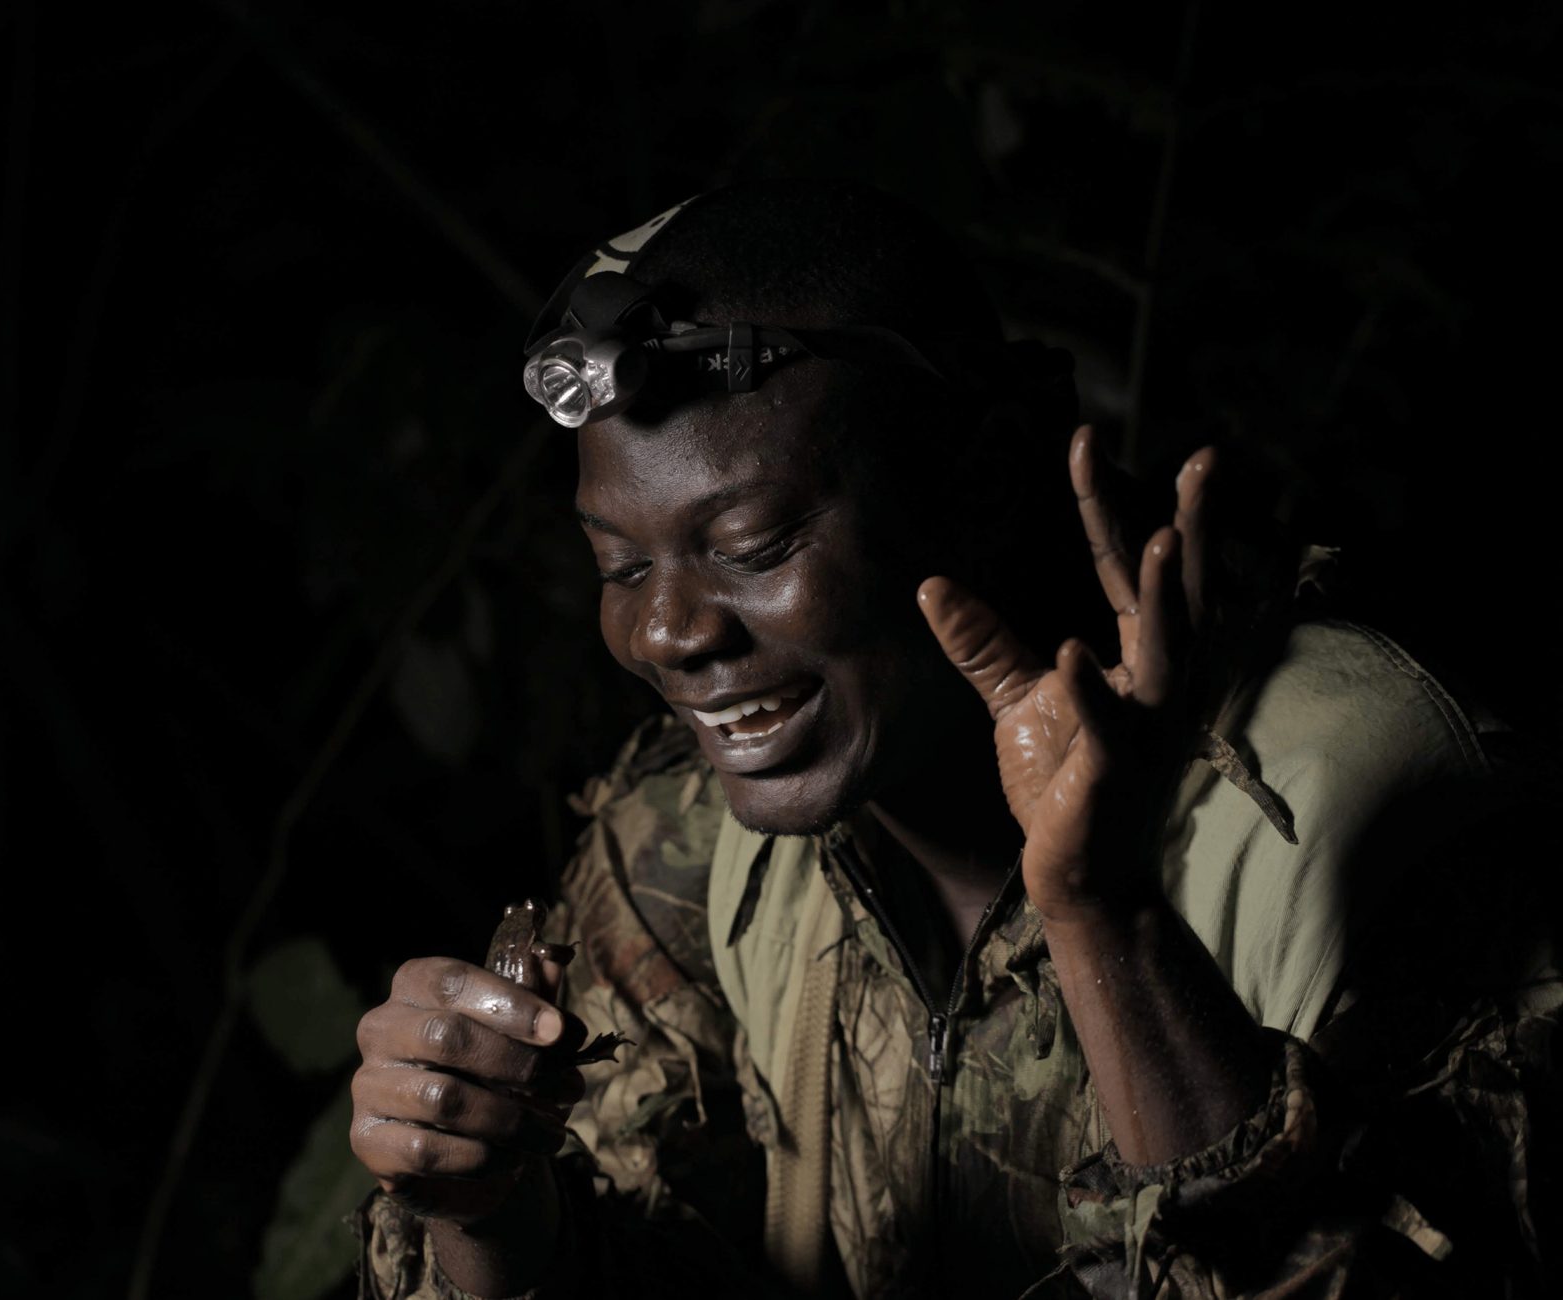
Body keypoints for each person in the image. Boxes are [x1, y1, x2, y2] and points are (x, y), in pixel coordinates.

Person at [346, 180, 1560, 1297]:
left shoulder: (1369, 803)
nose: (664, 630)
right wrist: (485, 1204)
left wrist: (1109, 922)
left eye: (757, 546)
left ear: (976, 479)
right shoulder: (697, 845)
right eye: (618, 563)